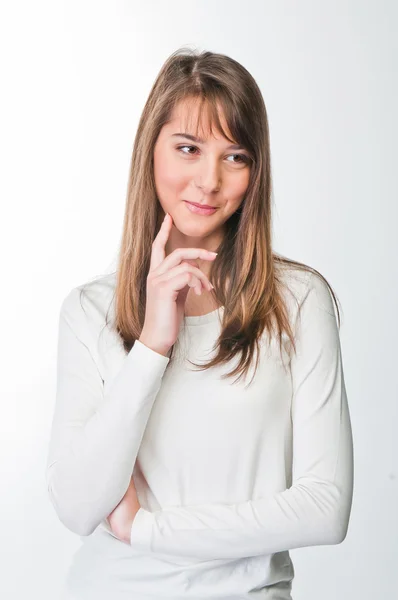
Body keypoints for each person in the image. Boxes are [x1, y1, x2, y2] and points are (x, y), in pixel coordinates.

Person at [46, 47, 354, 600]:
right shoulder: (89, 311)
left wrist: (149, 531)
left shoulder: (297, 301)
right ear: (152, 153)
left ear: (256, 169)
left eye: (234, 156)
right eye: (188, 148)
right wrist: (153, 344)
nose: (209, 181)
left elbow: (325, 507)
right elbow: (76, 505)